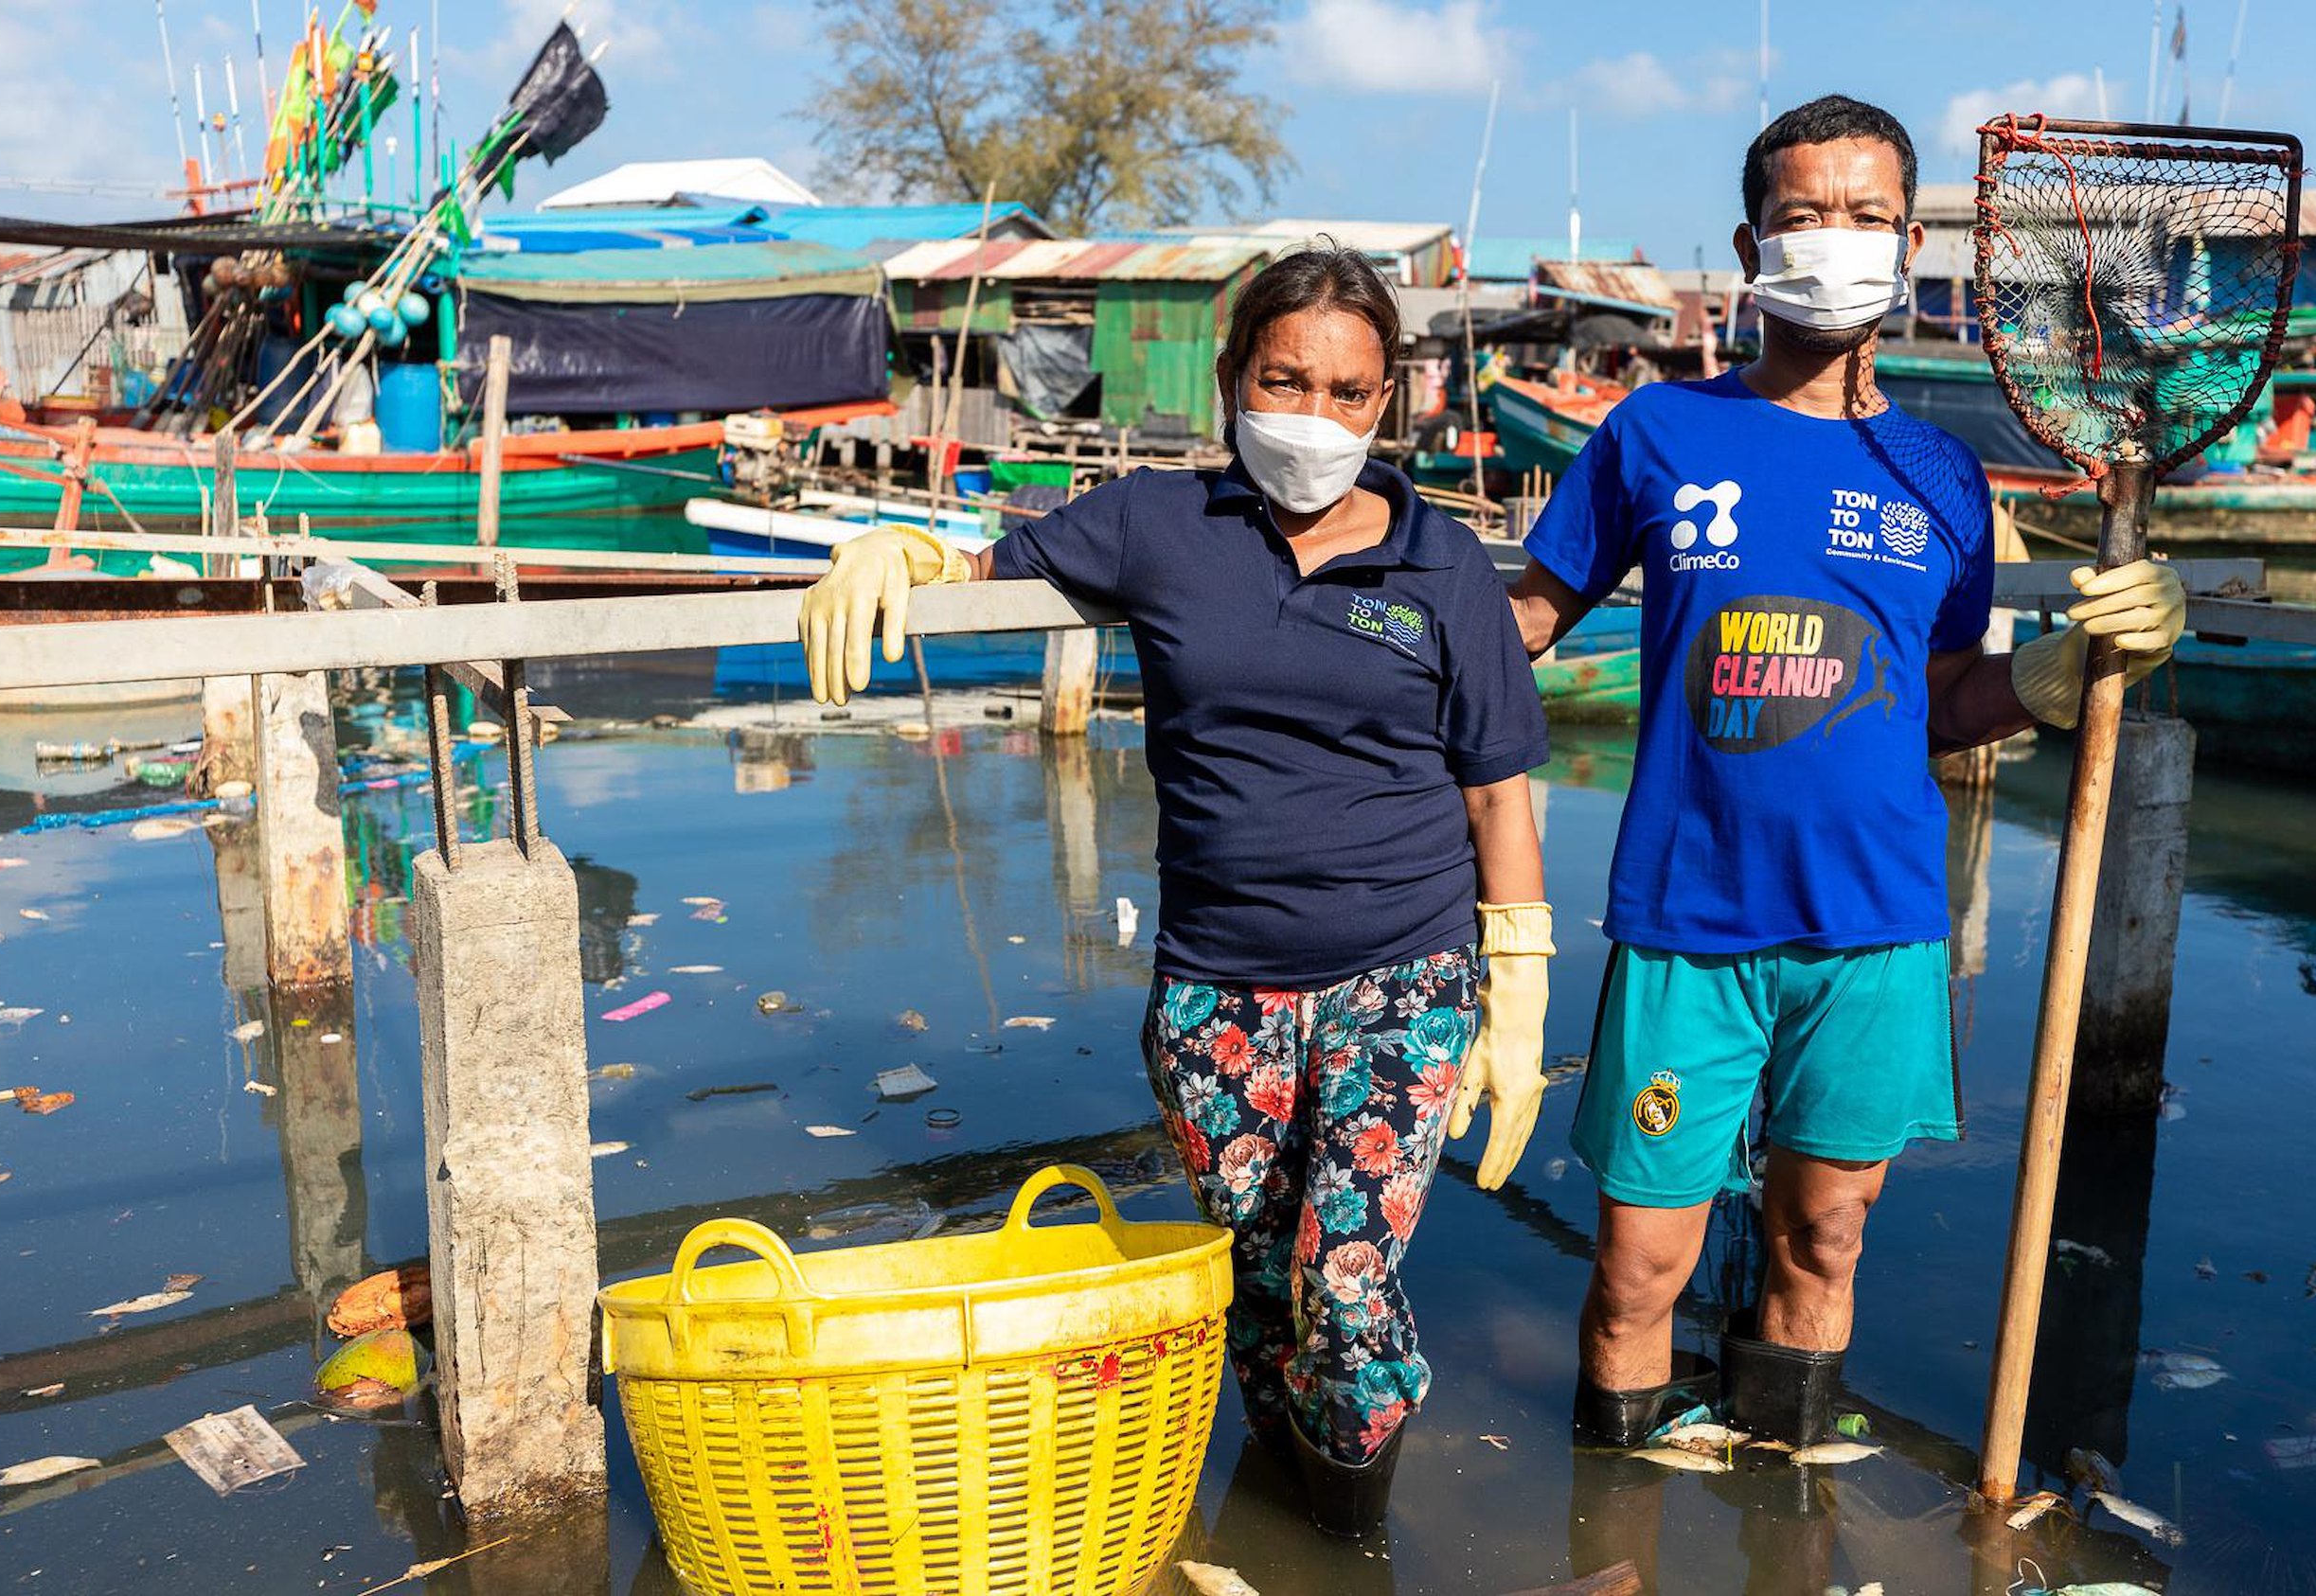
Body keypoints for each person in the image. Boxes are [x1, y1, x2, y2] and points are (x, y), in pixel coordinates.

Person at [798, 246, 1555, 1538]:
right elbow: (987, 556)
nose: (1316, 417)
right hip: (1218, 983)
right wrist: (900, 548)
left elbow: (1496, 787)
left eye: (1350, 392)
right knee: (1256, 1280)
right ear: (1230, 382)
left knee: (1346, 1275)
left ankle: (1352, 1538)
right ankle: (1290, 1499)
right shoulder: (1160, 525)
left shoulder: (1448, 570)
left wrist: (1520, 979)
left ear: (1389, 405)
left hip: (1404, 966)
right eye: (1286, 379)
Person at [1506, 96, 2187, 1449]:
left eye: (1866, 217)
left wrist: (2057, 676)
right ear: (1753, 239)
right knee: (1641, 1263)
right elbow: (1519, 626)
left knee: (1824, 1241)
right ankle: (1616, 1505)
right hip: (1686, 922)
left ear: (1913, 240)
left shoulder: (1940, 472)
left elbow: (1939, 701)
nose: (1835, 242)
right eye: (1806, 216)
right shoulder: (1656, 435)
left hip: (1877, 922)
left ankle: (1785, 1499)